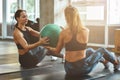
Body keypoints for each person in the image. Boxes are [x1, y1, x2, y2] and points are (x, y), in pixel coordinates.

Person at [46, 5, 120, 77]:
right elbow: (81, 52)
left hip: (68, 69)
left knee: (90, 50)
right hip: (82, 69)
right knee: (102, 50)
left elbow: (57, 51)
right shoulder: (86, 31)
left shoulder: (63, 33)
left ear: (66, 17)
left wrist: (50, 48)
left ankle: (105, 62)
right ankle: (116, 63)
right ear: (78, 16)